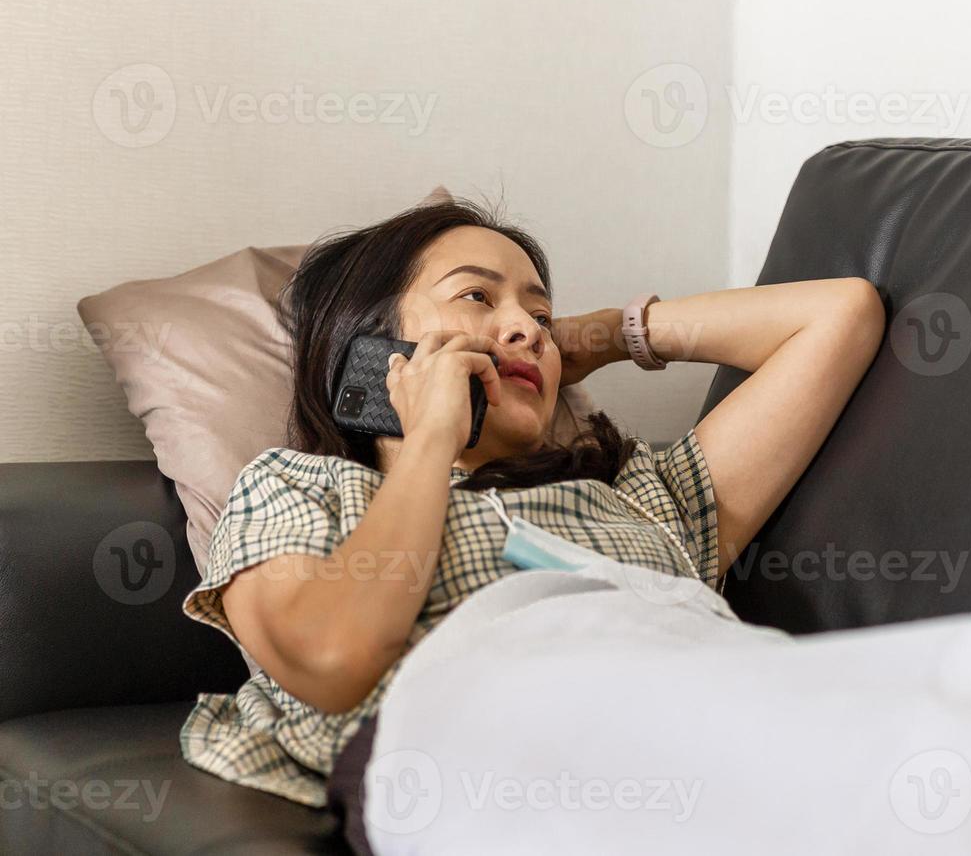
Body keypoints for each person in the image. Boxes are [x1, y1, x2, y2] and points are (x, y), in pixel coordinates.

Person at [178, 196, 885, 813]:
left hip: (734, 717)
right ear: (374, 347)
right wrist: (429, 437)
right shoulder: (298, 486)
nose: (528, 328)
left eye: (540, 311)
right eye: (477, 297)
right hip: (523, 769)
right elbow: (333, 658)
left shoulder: (645, 494)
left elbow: (841, 315)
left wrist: (596, 336)